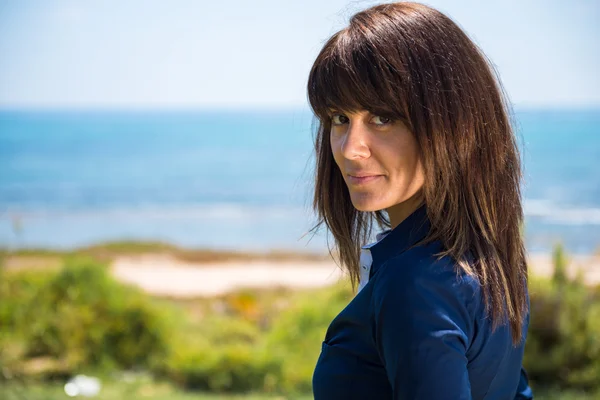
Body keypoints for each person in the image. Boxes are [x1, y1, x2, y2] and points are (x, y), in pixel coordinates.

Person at [306, 2, 534, 399]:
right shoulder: (489, 257)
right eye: (339, 118)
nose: (350, 148)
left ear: (451, 125)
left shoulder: (416, 282)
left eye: (382, 117)